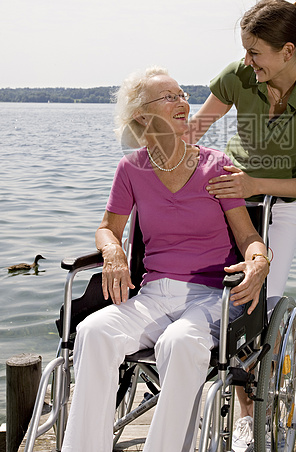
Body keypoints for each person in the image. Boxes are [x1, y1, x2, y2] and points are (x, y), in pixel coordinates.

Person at [61, 67, 269, 452]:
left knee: (180, 342)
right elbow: (107, 228)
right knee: (93, 331)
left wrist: (258, 261)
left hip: (210, 295)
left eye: (182, 94)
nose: (183, 102)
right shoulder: (131, 168)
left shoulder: (216, 165)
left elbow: (248, 236)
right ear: (142, 115)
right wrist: (113, 251)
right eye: (169, 96)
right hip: (153, 295)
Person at [185, 0, 296, 452]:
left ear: (288, 51)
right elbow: (193, 134)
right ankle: (201, 378)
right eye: (245, 49)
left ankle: (245, 414)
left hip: (284, 200)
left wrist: (258, 180)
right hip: (229, 193)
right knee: (218, 294)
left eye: (256, 52)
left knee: (261, 301)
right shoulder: (238, 76)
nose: (247, 60)